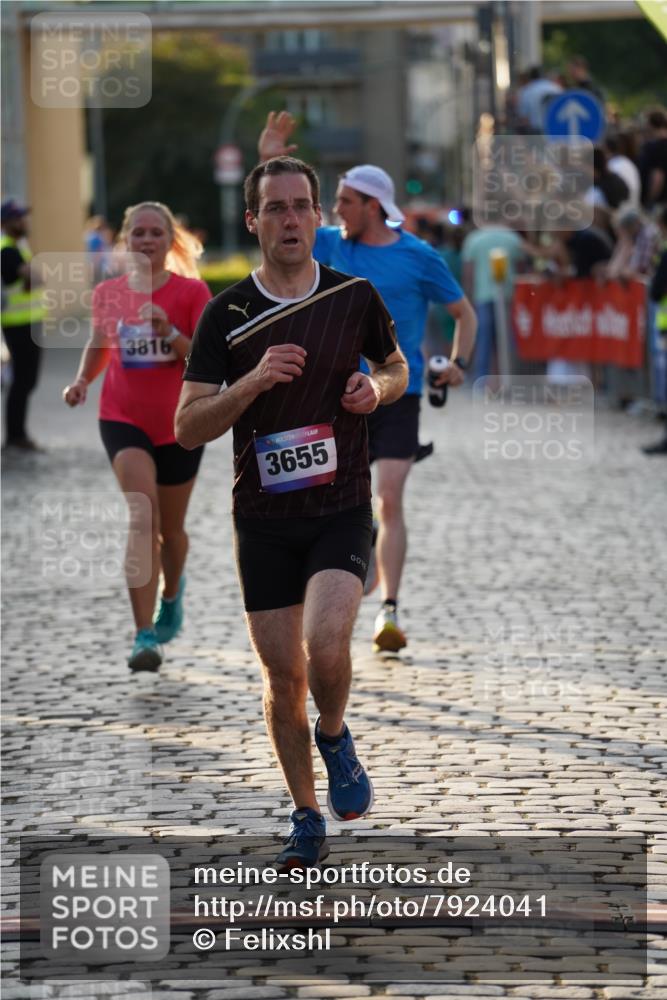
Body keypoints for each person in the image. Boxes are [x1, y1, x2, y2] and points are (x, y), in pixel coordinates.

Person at [175, 155, 408, 868]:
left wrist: (379, 391)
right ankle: (305, 815)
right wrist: (248, 382)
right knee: (282, 680)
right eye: (274, 208)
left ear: (317, 217)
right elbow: (188, 427)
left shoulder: (355, 294)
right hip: (263, 521)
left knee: (327, 644)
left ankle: (333, 734)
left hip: (340, 507)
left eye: (301, 205)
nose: (289, 218)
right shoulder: (227, 314)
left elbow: (396, 367)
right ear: (254, 221)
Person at [257, 111, 476, 653]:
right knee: (335, 502)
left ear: (373, 206)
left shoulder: (419, 257)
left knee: (391, 497)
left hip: (398, 391)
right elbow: (284, 214)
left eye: (345, 203)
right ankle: (342, 581)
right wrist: (270, 156)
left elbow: (465, 314)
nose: (334, 212)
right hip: (336, 396)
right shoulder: (332, 244)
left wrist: (457, 362)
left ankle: (390, 611)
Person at [63, 201, 211, 671]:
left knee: (172, 531)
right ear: (126, 240)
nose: (146, 241)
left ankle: (173, 591)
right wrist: (83, 380)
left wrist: (170, 334)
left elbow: (205, 362)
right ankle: (143, 634)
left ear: (171, 241)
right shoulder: (109, 293)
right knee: (141, 516)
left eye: (155, 233)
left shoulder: (192, 292)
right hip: (122, 416)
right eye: (138, 233)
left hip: (181, 422)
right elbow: (100, 344)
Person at [1, 199, 46, 451]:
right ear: (6, 222)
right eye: (19, 218)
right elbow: (34, 277)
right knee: (22, 381)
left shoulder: (17, 246)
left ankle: (17, 434)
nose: (24, 222)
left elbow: (36, 278)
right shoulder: (7, 249)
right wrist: (34, 274)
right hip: (18, 323)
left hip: (27, 322)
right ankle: (15, 436)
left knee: (26, 381)